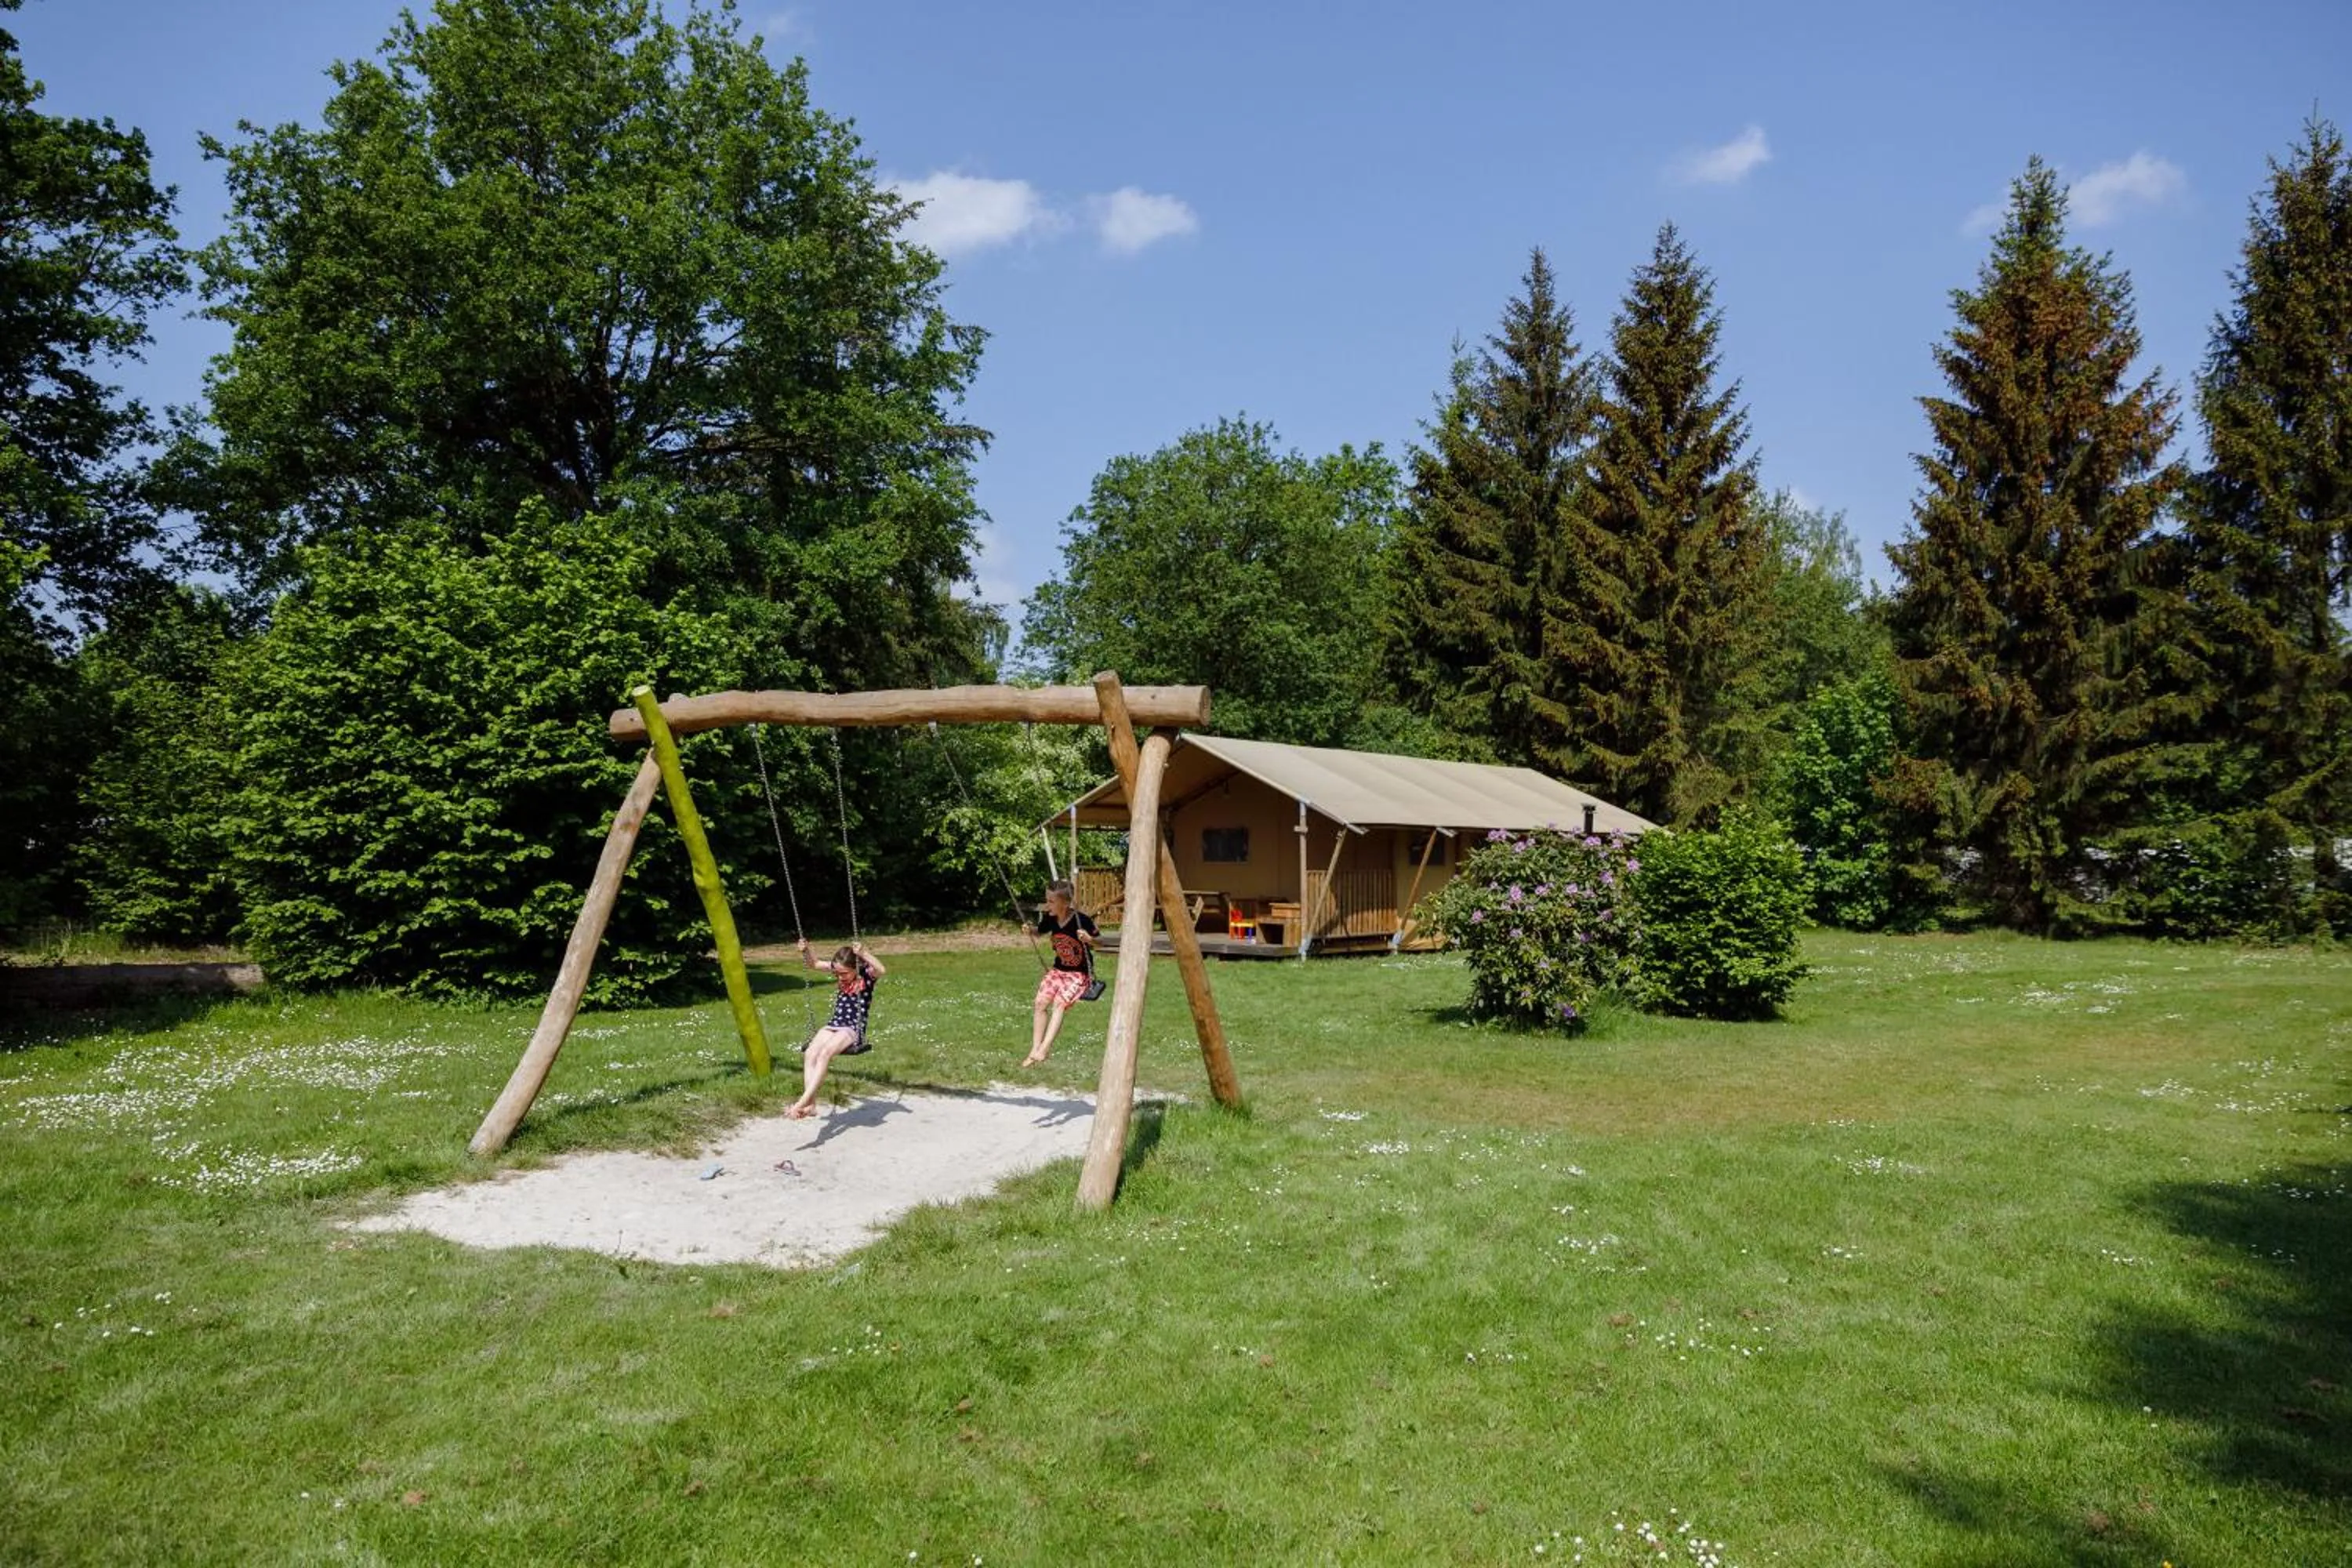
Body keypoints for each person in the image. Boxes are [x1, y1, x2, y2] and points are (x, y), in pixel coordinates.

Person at [788, 938, 887, 1119]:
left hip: (852, 1028)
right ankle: (811, 1105)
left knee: (825, 1053)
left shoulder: (866, 974)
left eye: (844, 973)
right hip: (835, 1024)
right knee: (810, 1053)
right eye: (837, 973)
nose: (840, 977)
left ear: (856, 967)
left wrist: (864, 954)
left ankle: (803, 1102)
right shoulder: (839, 970)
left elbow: (882, 969)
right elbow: (814, 963)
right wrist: (806, 950)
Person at [1025, 879, 1098, 1068]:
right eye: (1047, 899)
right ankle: (1035, 1049)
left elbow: (1101, 941)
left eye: (1051, 901)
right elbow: (1039, 932)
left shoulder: (1082, 921)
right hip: (1058, 971)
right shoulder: (1050, 919)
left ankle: (1045, 1049)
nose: (1047, 904)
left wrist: (1089, 939)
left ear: (1065, 903)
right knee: (1040, 1003)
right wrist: (1030, 930)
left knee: (1059, 1003)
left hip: (1078, 974)